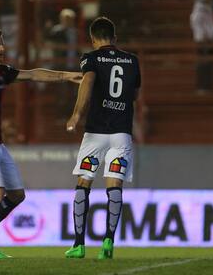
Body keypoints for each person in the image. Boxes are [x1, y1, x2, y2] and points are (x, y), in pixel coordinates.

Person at [0, 26, 82, 258]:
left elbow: (33, 74)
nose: (2, 48)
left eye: (2, 44)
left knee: (17, 195)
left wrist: (66, 76)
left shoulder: (2, 72)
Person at [64, 17, 141, 259]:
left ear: (93, 39)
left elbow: (87, 81)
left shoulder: (92, 57)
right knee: (114, 185)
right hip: (121, 134)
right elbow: (135, 93)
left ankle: (79, 244)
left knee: (84, 183)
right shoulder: (132, 60)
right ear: (114, 38)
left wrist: (76, 114)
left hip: (96, 133)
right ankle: (108, 241)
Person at [47, 8, 79, 120]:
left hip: (74, 66)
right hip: (61, 66)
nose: (68, 21)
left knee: (75, 93)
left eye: (70, 19)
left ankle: (72, 115)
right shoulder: (57, 31)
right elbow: (50, 39)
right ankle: (61, 116)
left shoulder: (76, 32)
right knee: (62, 93)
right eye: (66, 19)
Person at [190, 0, 213, 94]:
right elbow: (196, 23)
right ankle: (203, 86)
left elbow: (210, 24)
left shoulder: (209, 8)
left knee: (210, 63)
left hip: (209, 40)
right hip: (203, 41)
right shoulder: (199, 9)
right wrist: (201, 38)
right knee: (203, 63)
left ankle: (209, 85)